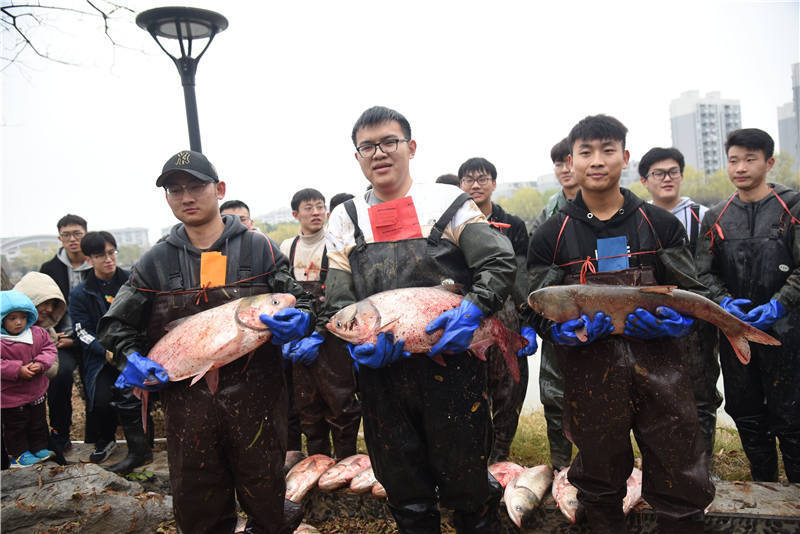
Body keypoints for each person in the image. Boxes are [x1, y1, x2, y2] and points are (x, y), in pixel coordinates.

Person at [323, 106, 519, 532]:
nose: (379, 153)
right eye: (367, 146)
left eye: (389, 142)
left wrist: (474, 309)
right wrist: (357, 347)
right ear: (357, 156)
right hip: (383, 379)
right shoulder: (345, 218)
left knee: (468, 486)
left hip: (454, 371)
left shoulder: (449, 203)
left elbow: (499, 263)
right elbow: (336, 303)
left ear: (410, 147)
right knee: (404, 490)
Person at [98, 150, 315, 533]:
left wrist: (303, 320)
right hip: (187, 406)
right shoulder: (154, 262)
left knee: (267, 501)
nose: (186, 197)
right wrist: (130, 356)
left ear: (219, 189)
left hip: (258, 402)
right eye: (175, 190)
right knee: (198, 507)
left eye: (196, 186)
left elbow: (305, 299)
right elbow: (116, 325)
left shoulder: (258, 248)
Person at [525, 115, 714, 534]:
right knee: (597, 480)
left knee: (678, 475)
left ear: (625, 157)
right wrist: (554, 331)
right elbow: (534, 306)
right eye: (586, 152)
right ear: (570, 161)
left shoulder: (659, 224)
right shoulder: (550, 235)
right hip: (590, 376)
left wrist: (674, 322)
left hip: (662, 371)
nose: (597, 161)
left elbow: (693, 293)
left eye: (608, 150)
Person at [696, 128, 799, 482]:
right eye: (734, 160)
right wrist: (723, 301)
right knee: (747, 411)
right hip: (735, 330)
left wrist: (779, 305)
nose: (741, 167)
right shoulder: (715, 216)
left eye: (750, 159)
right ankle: (764, 484)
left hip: (789, 331)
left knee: (792, 412)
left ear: (769, 163)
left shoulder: (793, 207)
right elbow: (702, 273)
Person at [639, 146, 722, 464]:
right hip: (649, 322)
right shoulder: (638, 218)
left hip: (695, 322)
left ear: (682, 175)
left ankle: (704, 465)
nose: (667, 178)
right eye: (658, 173)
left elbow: (708, 270)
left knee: (701, 395)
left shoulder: (702, 217)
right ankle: (662, 466)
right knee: (655, 395)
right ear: (645, 181)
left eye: (673, 171)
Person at [457, 156, 536, 463]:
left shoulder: (513, 225)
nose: (476, 185)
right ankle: (474, 451)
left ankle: (500, 454)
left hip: (507, 310)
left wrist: (527, 318)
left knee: (510, 385)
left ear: (493, 183)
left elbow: (522, 273)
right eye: (469, 180)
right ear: (461, 185)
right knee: (469, 383)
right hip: (468, 312)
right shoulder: (453, 222)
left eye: (482, 179)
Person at [280, 188, 361, 459]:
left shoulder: (337, 243)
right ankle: (317, 463)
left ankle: (346, 461)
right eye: (308, 207)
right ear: (295, 214)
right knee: (307, 406)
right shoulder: (287, 248)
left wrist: (319, 334)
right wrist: (291, 336)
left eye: (320, 206)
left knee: (342, 404)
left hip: (333, 337)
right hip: (300, 339)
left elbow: (343, 296)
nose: (316, 212)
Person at [528, 138, 581, 471]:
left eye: (569, 161)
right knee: (554, 393)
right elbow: (535, 270)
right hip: (557, 315)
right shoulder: (549, 211)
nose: (564, 169)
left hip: (596, 313)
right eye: (558, 163)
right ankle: (560, 465)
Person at [69, 232, 131, 465]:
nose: (108, 259)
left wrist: (131, 349)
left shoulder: (131, 281)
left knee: (137, 394)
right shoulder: (81, 293)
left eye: (111, 252)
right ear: (88, 259)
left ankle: (142, 443)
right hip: (101, 357)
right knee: (102, 399)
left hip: (132, 352)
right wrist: (103, 350)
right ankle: (106, 440)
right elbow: (81, 331)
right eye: (99, 255)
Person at [39, 214, 93, 451]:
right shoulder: (49, 269)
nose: (72, 240)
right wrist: (52, 334)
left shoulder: (97, 265)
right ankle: (60, 433)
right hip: (61, 339)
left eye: (77, 234)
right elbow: (41, 306)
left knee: (96, 378)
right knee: (59, 377)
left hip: (91, 336)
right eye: (67, 235)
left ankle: (97, 434)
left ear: (85, 235)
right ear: (60, 238)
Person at [1, 290, 57, 467]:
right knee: (16, 426)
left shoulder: (38, 333)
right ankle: (19, 454)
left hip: (36, 391)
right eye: (12, 318)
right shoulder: (2, 341)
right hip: (10, 396)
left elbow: (49, 349)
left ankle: (39, 448)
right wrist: (17, 369)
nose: (19, 322)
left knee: (38, 421)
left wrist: (41, 364)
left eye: (22, 317)